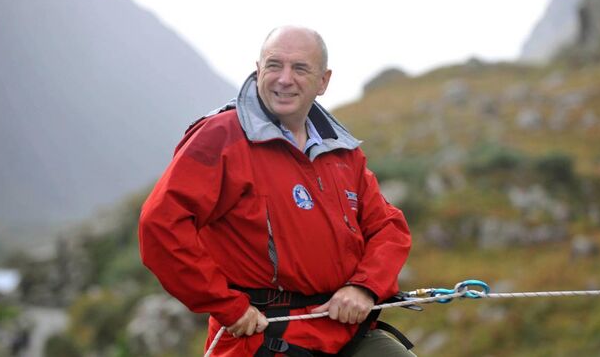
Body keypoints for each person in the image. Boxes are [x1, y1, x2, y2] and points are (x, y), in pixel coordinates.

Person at [139, 25, 414, 356]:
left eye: (300, 68)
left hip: (347, 333)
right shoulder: (221, 136)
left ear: (323, 81)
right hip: (265, 338)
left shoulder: (341, 151)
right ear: (258, 70)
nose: (285, 79)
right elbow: (160, 224)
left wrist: (364, 287)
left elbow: (388, 227)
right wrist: (227, 306)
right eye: (274, 65)